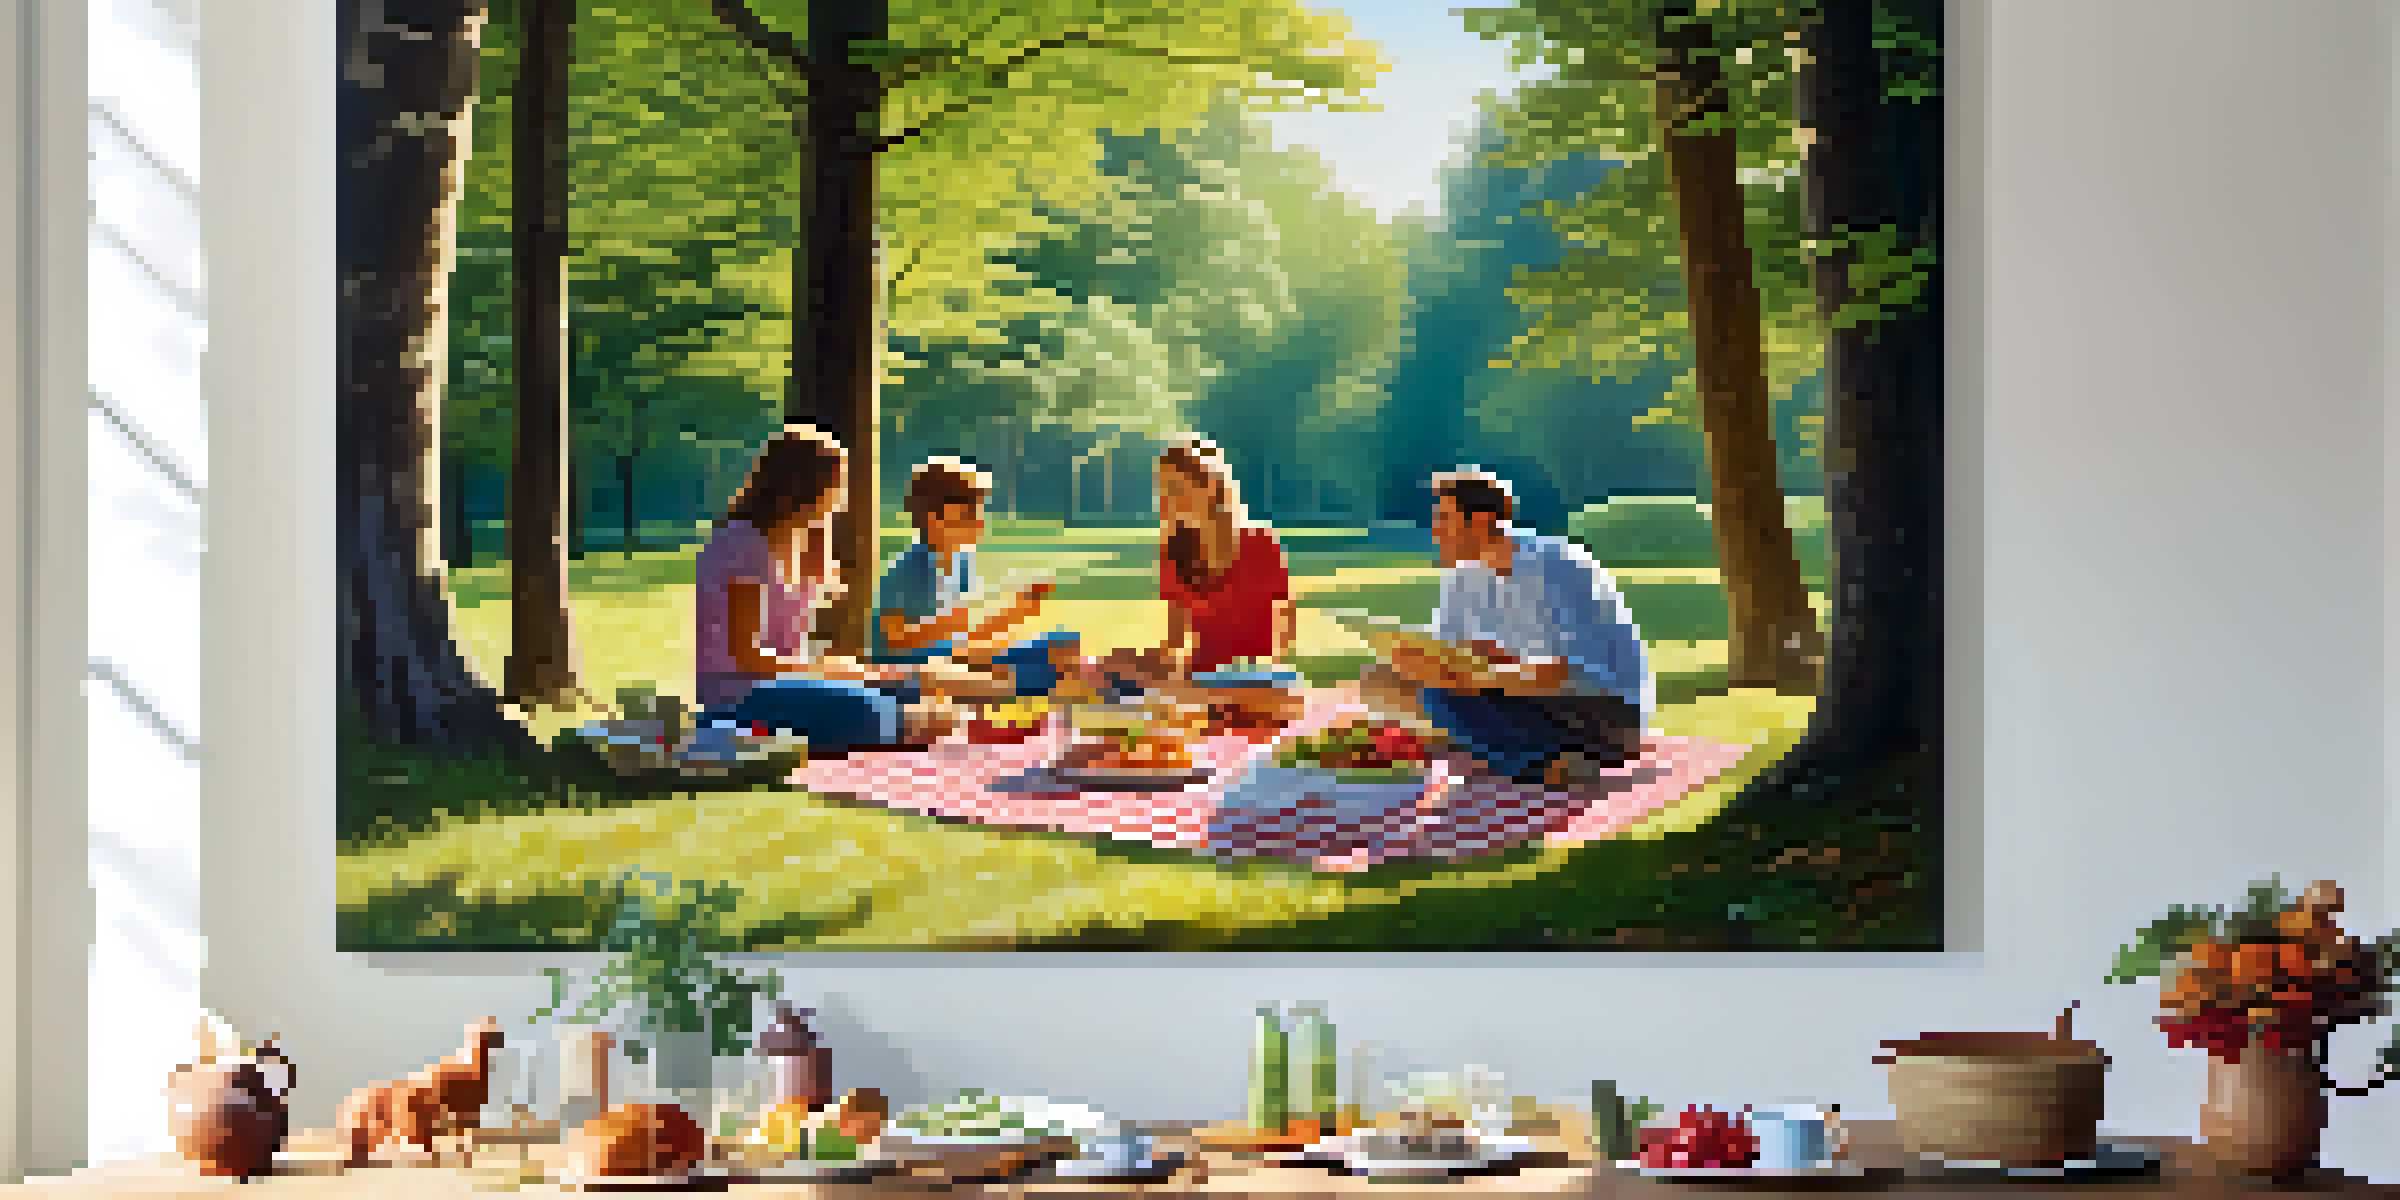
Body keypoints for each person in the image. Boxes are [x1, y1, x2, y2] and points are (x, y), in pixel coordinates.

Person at [1359, 468, 1652, 786]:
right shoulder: (1462, 574)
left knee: (1442, 694)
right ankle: (1513, 747)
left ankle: (1539, 762)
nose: (1435, 530)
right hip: (1530, 701)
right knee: (1381, 678)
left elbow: (1567, 674)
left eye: (1444, 519)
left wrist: (1480, 673)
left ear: (1481, 522)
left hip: (1608, 718)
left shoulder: (1555, 563)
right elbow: (1445, 650)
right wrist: (1418, 659)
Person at [692, 425, 955, 754]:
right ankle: (914, 725)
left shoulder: (798, 540)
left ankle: (921, 723)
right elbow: (747, 657)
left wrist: (844, 669)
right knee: (867, 709)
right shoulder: (744, 545)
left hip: (785, 683)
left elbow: (787, 646)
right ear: (805, 487)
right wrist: (826, 669)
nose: (841, 497)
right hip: (739, 697)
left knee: (897, 689)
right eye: (837, 485)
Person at [1091, 434, 1295, 690]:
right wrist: (1131, 662)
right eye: (1162, 490)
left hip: (1255, 684)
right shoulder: (1171, 552)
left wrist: (1265, 675)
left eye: (1175, 489)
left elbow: (1284, 624)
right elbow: (1175, 642)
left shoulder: (1260, 543)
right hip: (1198, 685)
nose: (1166, 501)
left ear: (1210, 486)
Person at [872, 455, 1081, 696]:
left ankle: (1032, 678)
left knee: (1062, 642)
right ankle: (1024, 683)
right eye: (968, 515)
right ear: (934, 519)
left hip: (953, 659)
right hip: (916, 673)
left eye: (980, 512)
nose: (980, 523)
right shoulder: (909, 570)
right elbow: (892, 645)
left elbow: (964, 641)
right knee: (951, 674)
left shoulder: (961, 563)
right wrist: (939, 628)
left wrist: (1014, 613)